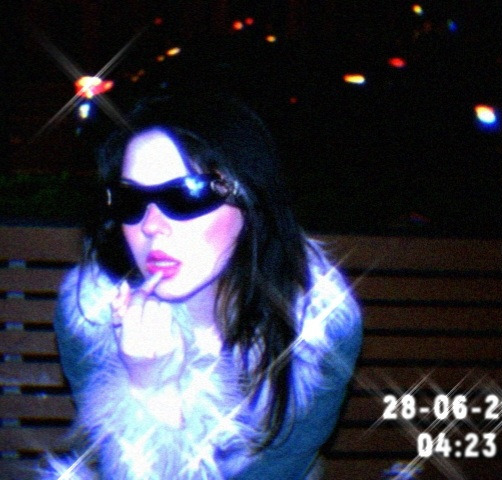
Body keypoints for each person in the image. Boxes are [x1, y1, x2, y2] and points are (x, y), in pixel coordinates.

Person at [43, 92, 362, 479]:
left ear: (250, 199)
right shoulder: (93, 317)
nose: (151, 225)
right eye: (130, 199)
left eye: (187, 194)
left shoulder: (318, 327)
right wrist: (150, 393)